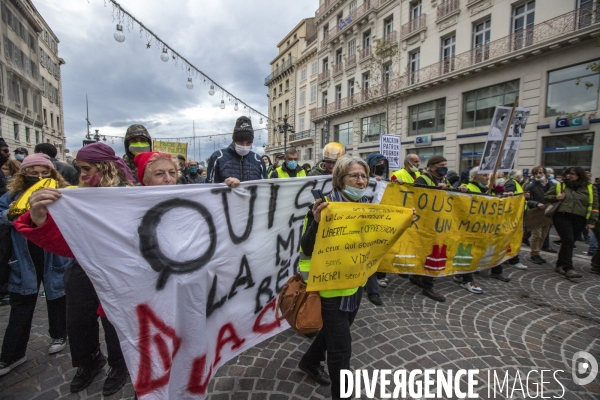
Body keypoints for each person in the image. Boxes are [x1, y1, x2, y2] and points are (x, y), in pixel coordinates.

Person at [14, 142, 135, 395]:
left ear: (105, 168)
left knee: (113, 320)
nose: (81, 175)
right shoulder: (75, 199)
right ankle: (88, 361)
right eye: (78, 169)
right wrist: (40, 218)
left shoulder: (129, 196)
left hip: (119, 269)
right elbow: (64, 243)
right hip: (83, 266)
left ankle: (119, 364)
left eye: (86, 169)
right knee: (78, 318)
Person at [298, 155, 370, 399]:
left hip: (354, 284)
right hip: (329, 289)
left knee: (332, 334)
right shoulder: (323, 206)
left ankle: (309, 361)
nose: (360, 181)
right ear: (340, 179)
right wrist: (317, 223)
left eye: (364, 176)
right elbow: (306, 247)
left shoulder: (367, 207)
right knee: (341, 348)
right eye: (354, 176)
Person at [0, 154, 71, 377]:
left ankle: (59, 334)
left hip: (52, 255)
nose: (39, 176)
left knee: (57, 297)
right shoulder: (11, 195)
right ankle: (12, 353)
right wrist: (13, 213)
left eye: (44, 172)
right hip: (24, 257)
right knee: (21, 305)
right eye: (33, 172)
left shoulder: (61, 194)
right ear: (24, 174)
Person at [410, 156, 466, 302]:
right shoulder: (423, 179)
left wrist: (458, 190)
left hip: (439, 223)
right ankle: (428, 285)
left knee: (431, 251)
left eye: (445, 165)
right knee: (429, 252)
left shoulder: (444, 179)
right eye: (441, 165)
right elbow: (417, 196)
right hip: (427, 223)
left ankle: (418, 276)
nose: (444, 167)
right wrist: (435, 190)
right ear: (432, 167)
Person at [456, 167, 510, 293]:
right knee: (467, 252)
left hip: (484, 227)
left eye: (488, 175)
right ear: (475, 177)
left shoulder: (487, 189)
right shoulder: (467, 187)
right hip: (469, 227)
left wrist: (503, 196)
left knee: (480, 251)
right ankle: (467, 280)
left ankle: (462, 274)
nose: (487, 177)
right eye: (484, 175)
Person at [544, 166, 598, 279]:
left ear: (579, 175)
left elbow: (594, 206)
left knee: (568, 242)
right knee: (568, 240)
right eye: (568, 173)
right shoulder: (561, 185)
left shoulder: (589, 188)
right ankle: (569, 268)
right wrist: (556, 197)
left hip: (580, 218)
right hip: (562, 216)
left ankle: (559, 265)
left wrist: (592, 221)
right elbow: (546, 196)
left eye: (572, 174)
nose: (569, 175)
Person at [206, 116, 267, 187]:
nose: (244, 146)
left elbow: (264, 188)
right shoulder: (218, 157)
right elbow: (209, 188)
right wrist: (224, 183)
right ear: (234, 141)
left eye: (248, 143)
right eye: (241, 142)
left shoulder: (258, 160)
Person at [364, 153, 389, 305]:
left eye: (383, 162)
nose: (381, 165)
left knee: (371, 257)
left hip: (376, 224)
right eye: (378, 162)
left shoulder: (384, 180)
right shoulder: (364, 180)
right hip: (360, 223)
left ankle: (372, 290)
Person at [503, 169, 532, 270]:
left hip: (517, 214)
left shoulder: (514, 183)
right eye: (521, 175)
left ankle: (510, 257)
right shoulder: (511, 183)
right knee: (515, 238)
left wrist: (523, 196)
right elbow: (508, 196)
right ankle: (513, 259)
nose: (522, 177)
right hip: (514, 215)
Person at [525, 166, 552, 264]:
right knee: (536, 234)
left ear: (545, 173)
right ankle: (534, 253)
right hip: (536, 212)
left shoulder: (552, 185)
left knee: (543, 235)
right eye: (536, 173)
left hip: (548, 212)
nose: (538, 175)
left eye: (540, 173)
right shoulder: (531, 186)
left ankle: (538, 252)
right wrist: (536, 204)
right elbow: (526, 200)